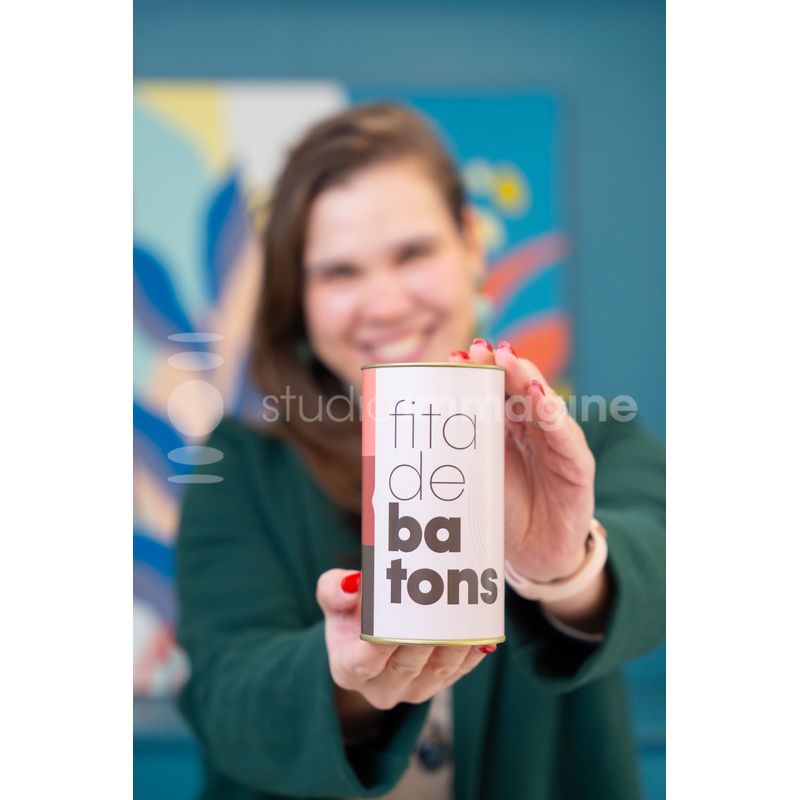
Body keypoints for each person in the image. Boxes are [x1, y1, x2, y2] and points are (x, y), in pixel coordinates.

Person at [175, 102, 665, 800]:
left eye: (413, 253)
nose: (384, 303)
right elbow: (227, 699)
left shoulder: (590, 437)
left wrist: (568, 570)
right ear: (300, 297)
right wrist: (345, 677)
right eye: (340, 272)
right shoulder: (240, 467)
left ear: (470, 244)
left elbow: (663, 562)